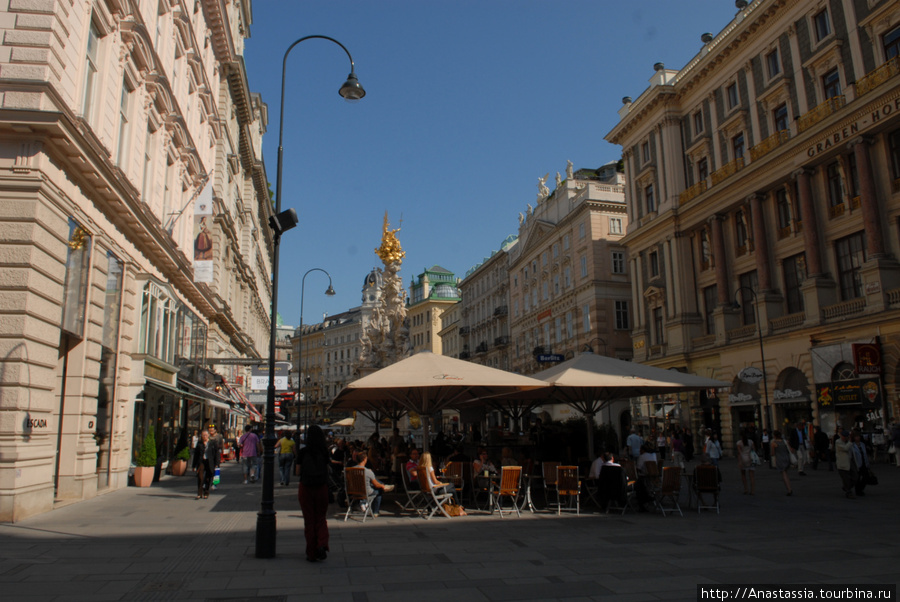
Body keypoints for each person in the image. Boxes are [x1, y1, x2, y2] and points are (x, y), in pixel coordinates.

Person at [297, 425, 330, 562]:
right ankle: (322, 543)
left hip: (306, 487)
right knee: (321, 518)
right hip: (322, 487)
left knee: (309, 520)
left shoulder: (303, 452)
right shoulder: (324, 451)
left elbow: (298, 472)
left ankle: (311, 552)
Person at [357, 451, 393, 517]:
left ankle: (364, 503)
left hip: (353, 491)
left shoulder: (349, 470)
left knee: (376, 486)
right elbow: (376, 484)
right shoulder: (367, 471)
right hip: (366, 491)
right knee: (379, 490)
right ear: (365, 459)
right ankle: (375, 511)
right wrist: (382, 486)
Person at [192, 429, 219, 500]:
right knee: (200, 477)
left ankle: (206, 492)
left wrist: (217, 463)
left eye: (206, 435)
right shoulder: (199, 443)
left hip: (209, 462)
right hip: (201, 462)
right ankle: (199, 493)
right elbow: (196, 455)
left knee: (208, 478)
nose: (204, 436)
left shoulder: (212, 443)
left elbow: (216, 454)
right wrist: (194, 465)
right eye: (203, 435)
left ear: (208, 436)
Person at [835, 429, 857, 498]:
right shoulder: (838, 442)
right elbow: (845, 448)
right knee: (846, 478)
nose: (844, 438)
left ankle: (846, 487)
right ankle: (848, 491)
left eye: (846, 436)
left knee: (855, 477)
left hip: (850, 461)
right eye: (843, 436)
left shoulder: (848, 442)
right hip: (842, 463)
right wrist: (850, 442)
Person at [771, 429, 792, 496]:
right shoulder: (785, 441)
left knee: (784, 474)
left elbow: (772, 453)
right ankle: (789, 488)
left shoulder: (774, 443)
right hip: (786, 457)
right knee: (786, 472)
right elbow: (790, 449)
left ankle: (789, 489)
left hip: (780, 459)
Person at [736, 429, 756, 495]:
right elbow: (753, 450)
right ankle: (752, 490)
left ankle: (746, 489)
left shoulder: (739, 443)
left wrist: (739, 462)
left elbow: (739, 453)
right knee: (751, 476)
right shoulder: (751, 442)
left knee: (743, 475)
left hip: (743, 459)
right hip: (750, 458)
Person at [851, 430, 870, 497]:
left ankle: (861, 488)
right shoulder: (852, 445)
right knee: (857, 478)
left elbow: (865, 454)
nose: (857, 438)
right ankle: (858, 491)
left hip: (864, 463)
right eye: (856, 437)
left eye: (858, 436)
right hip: (857, 463)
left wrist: (868, 463)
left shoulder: (862, 444)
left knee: (866, 477)